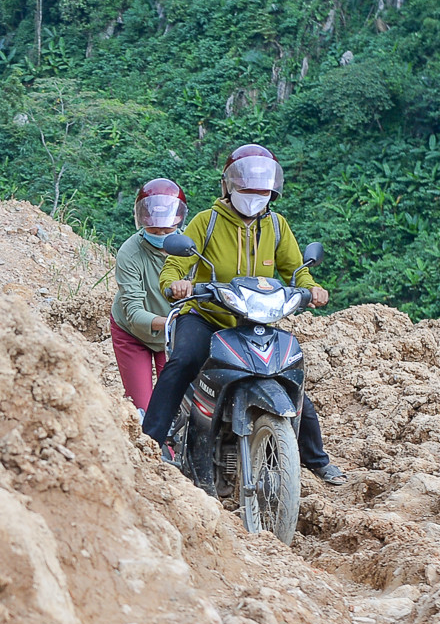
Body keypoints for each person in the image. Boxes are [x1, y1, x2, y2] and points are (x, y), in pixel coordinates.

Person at [140, 144, 348, 485]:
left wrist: (312, 288)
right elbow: (177, 264)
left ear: (272, 192)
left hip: (255, 320)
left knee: (287, 377)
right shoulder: (206, 222)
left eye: (262, 191)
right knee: (184, 361)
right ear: (229, 187)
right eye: (247, 189)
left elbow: (296, 270)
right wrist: (175, 284)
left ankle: (316, 459)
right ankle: (151, 440)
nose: (254, 196)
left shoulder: (277, 226)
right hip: (208, 315)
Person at [110, 179, 185, 413]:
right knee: (142, 408)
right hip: (132, 333)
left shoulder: (190, 248)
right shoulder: (130, 252)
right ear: (142, 222)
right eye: (154, 229)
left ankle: (171, 450)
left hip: (173, 336)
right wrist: (171, 323)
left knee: (172, 405)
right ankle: (146, 449)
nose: (161, 233)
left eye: (168, 229)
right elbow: (133, 313)